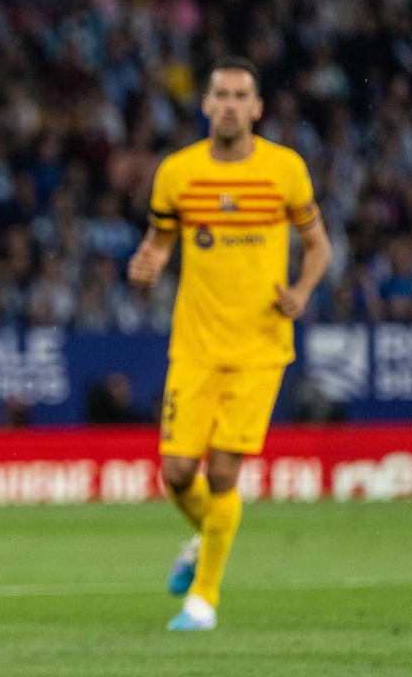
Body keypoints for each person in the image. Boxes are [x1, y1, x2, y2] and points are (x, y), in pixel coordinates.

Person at [127, 56, 331, 631]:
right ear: (206, 104)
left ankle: (204, 600)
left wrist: (302, 290)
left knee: (221, 474)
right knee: (174, 472)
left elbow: (319, 246)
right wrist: (147, 268)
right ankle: (205, 539)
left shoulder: (285, 170)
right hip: (194, 344)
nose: (231, 104)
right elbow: (159, 244)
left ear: (257, 107)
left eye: (242, 95)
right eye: (221, 94)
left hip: (260, 345)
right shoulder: (178, 172)